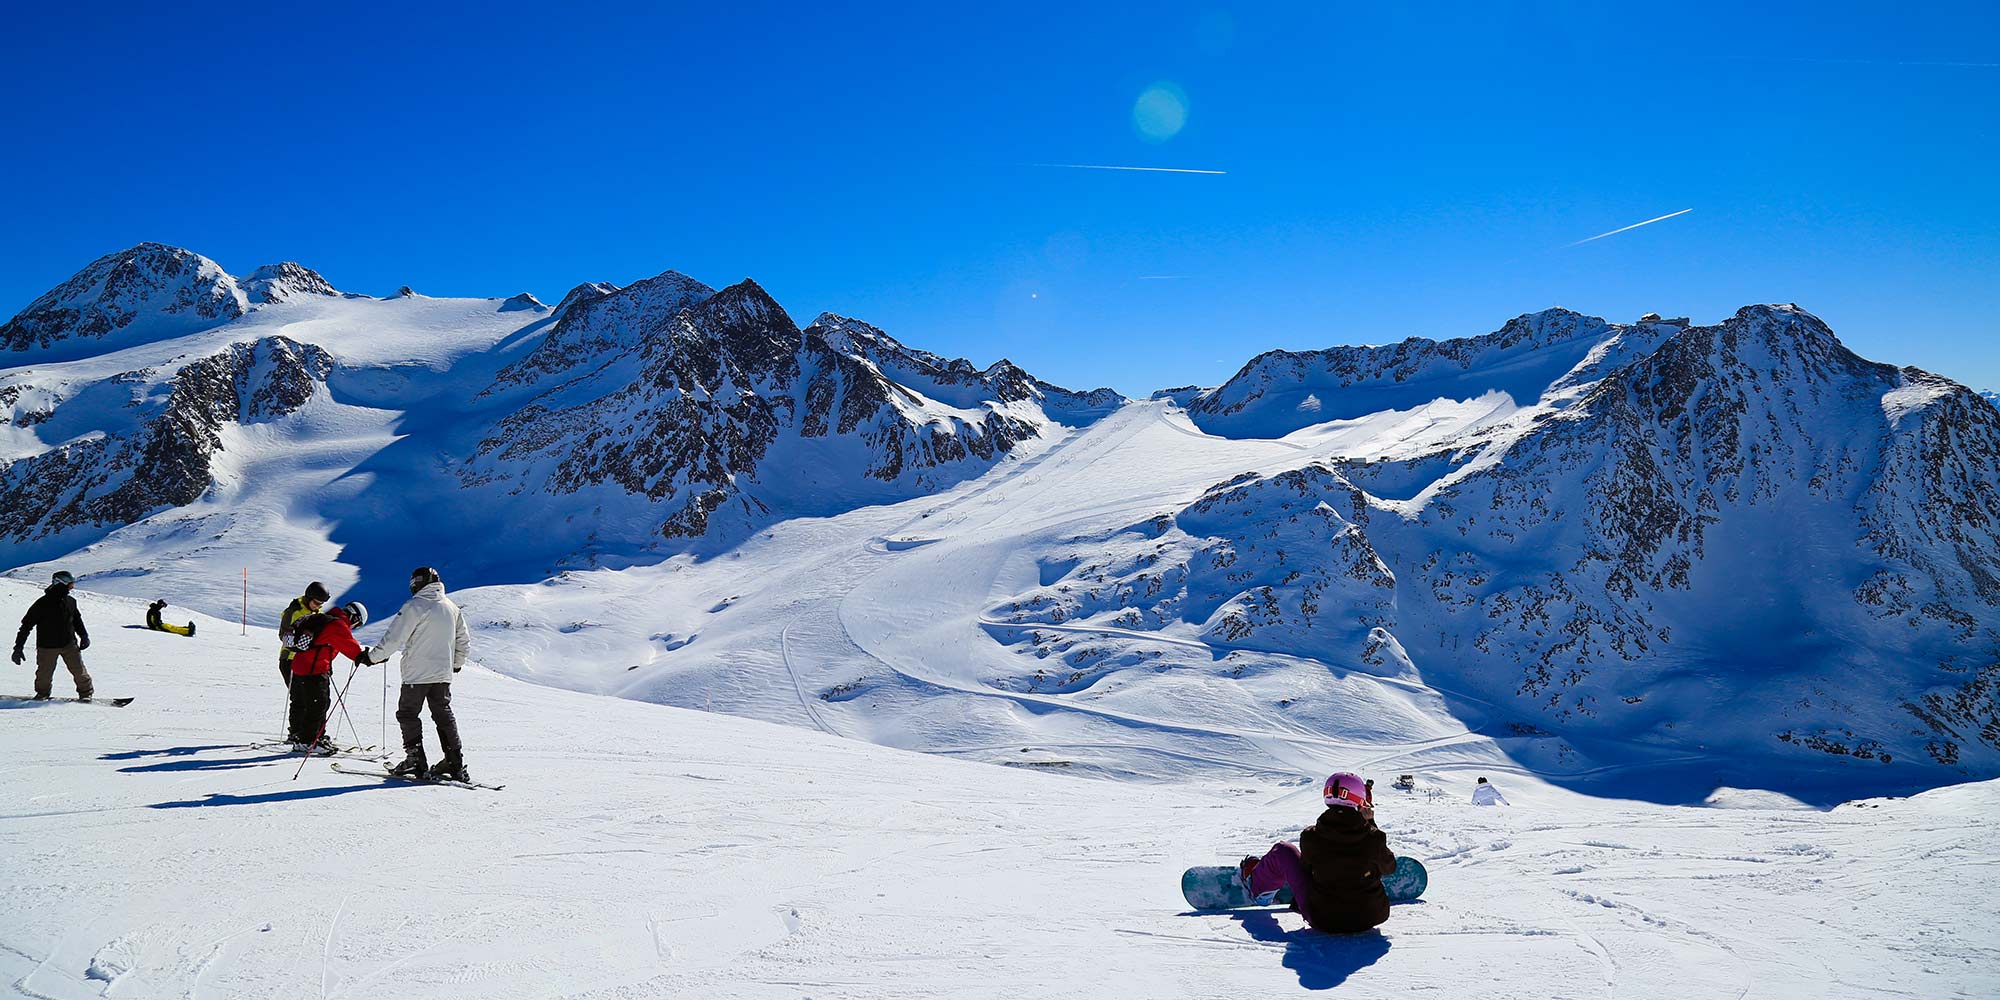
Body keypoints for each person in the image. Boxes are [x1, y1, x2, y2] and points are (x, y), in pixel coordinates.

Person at [1236, 772, 1398, 934]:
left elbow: (1306, 869)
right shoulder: (1374, 837)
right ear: (1360, 800)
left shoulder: (1311, 836)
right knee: (1373, 861)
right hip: (1370, 918)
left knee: (1283, 850)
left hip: (1324, 920)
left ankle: (1260, 890)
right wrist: (1369, 824)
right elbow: (1389, 867)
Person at [368, 566, 472, 782]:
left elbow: (395, 637)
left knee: (408, 714)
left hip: (416, 674)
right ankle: (454, 762)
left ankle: (415, 759)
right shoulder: (451, 607)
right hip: (442, 675)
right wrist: (456, 663)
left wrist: (373, 657)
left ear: (416, 583)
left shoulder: (415, 605)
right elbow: (463, 640)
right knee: (443, 716)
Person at [286, 601, 369, 752]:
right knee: (318, 705)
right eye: (357, 625)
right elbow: (351, 648)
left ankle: (299, 734)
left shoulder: (322, 618)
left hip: (298, 666)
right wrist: (367, 658)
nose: (354, 628)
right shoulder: (338, 625)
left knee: (302, 702)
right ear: (355, 618)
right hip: (314, 669)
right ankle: (308, 741)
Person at [12, 570, 93, 701]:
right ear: (61, 584)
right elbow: (26, 626)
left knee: (79, 671)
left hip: (69, 644)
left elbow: (77, 620)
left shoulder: (71, 601)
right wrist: (18, 648)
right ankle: (42, 694)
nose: (71, 588)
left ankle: (86, 694)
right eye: (70, 585)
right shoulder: (42, 604)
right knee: (44, 675)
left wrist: (84, 636)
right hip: (47, 647)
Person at [277, 582, 330, 686]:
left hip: (308, 661)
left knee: (309, 697)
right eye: (316, 603)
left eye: (321, 604)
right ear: (308, 598)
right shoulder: (293, 611)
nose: (318, 606)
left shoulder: (318, 614)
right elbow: (283, 635)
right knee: (299, 697)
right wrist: (296, 644)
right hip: (290, 660)